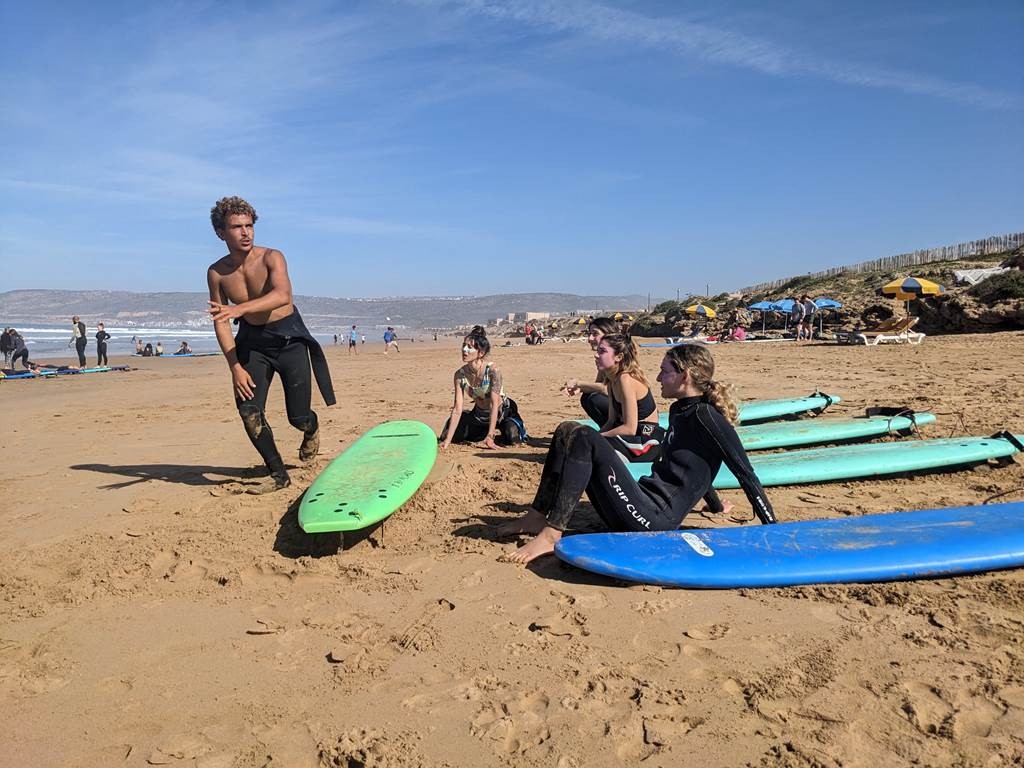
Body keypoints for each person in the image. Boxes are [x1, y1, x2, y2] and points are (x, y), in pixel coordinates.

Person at [499, 343, 776, 564]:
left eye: (664, 371)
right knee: (566, 431)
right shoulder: (681, 410)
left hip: (652, 520)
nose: (657, 378)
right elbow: (694, 466)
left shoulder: (709, 417)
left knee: (585, 436)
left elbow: (745, 473)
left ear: (685, 376)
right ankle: (537, 516)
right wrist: (714, 505)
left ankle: (551, 533)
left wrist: (773, 531)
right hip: (638, 502)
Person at [207, 196, 335, 493]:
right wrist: (234, 367)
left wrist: (239, 309)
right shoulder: (217, 272)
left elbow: (282, 296)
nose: (245, 233)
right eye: (237, 227)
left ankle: (311, 429)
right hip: (253, 343)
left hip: (289, 340)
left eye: (249, 225)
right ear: (220, 232)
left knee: (298, 417)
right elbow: (220, 320)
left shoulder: (271, 257)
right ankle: (278, 473)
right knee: (248, 411)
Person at [439, 326, 526, 449]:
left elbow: (494, 404)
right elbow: (457, 409)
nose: (464, 350)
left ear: (481, 353)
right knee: (453, 436)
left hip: (503, 413)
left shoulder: (492, 371)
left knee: (512, 437)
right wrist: (447, 441)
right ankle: (482, 431)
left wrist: (490, 437)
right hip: (479, 415)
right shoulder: (460, 375)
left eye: (470, 347)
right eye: (463, 345)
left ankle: (494, 433)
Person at [591, 333, 665, 462]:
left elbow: (629, 428)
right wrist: (595, 436)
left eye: (602, 351)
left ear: (619, 357)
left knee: (592, 450)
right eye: (597, 350)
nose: (596, 355)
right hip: (631, 437)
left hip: (645, 442)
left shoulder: (625, 379)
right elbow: (611, 421)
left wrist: (597, 438)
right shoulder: (612, 380)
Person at [560, 316, 622, 423]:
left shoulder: (618, 357)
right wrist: (580, 389)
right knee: (587, 397)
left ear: (608, 334)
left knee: (595, 399)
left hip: (634, 414)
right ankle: (608, 430)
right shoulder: (603, 358)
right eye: (589, 334)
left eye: (595, 334)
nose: (590, 339)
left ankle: (615, 432)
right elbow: (599, 384)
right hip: (618, 403)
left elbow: (608, 389)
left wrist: (578, 383)